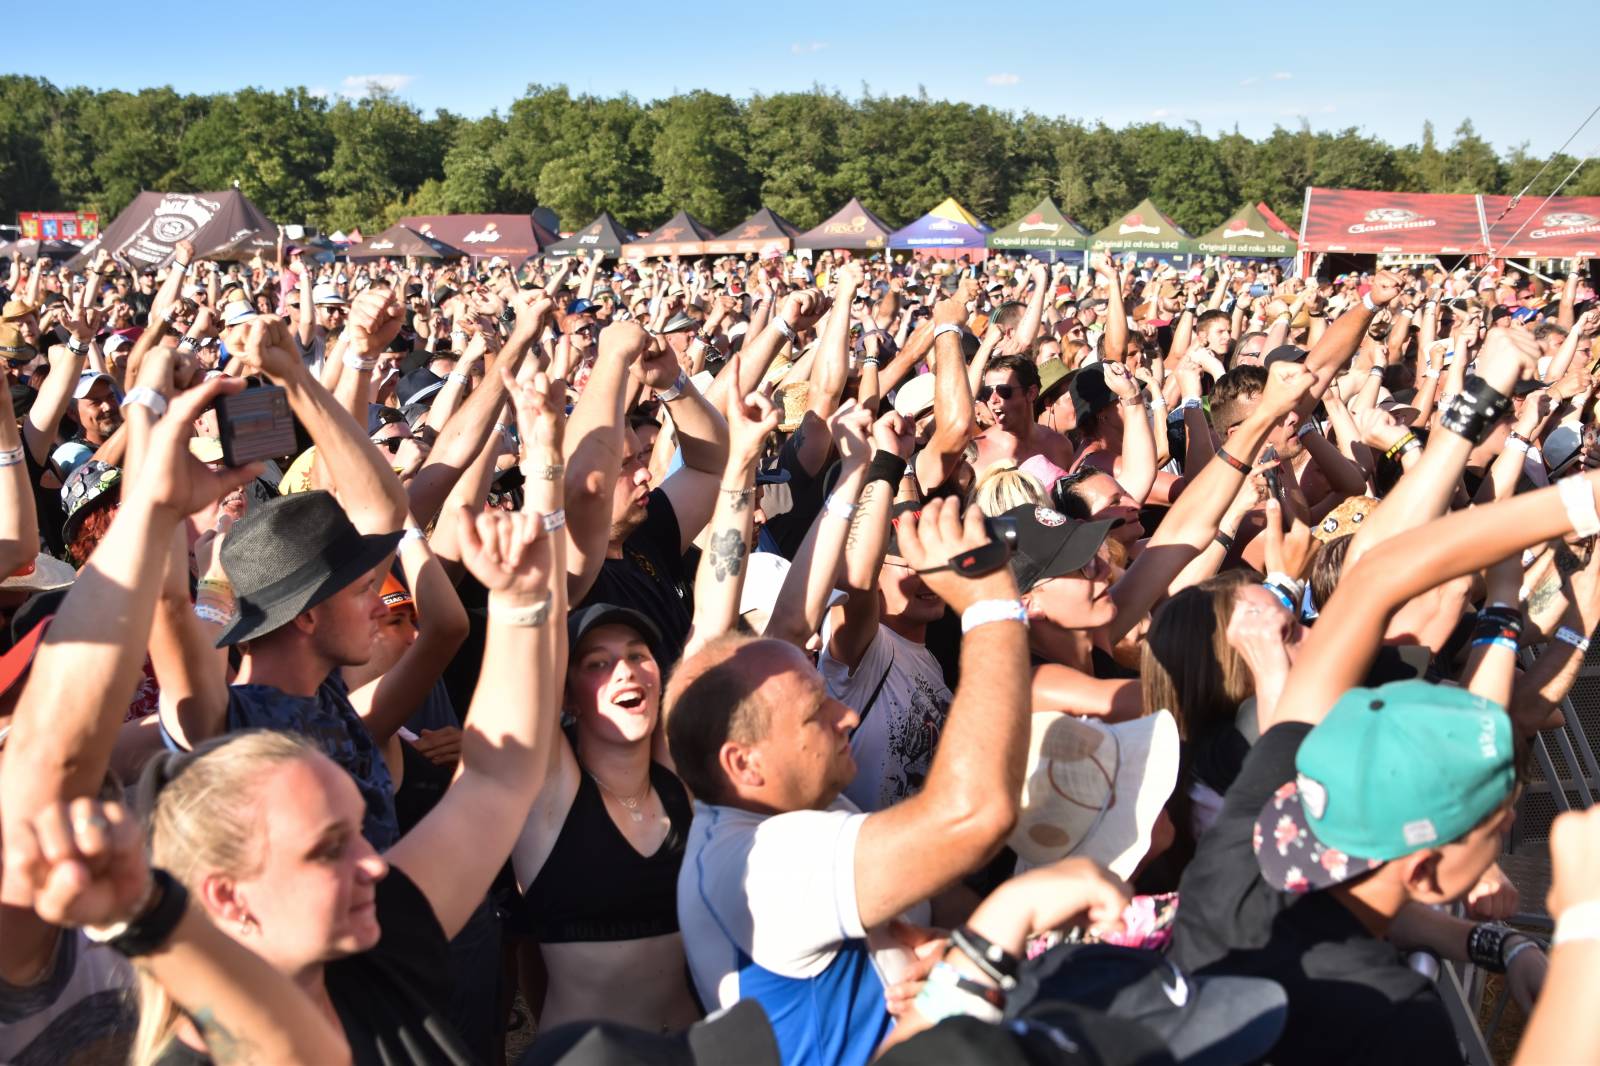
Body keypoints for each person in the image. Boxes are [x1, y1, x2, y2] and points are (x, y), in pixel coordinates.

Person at [669, 496, 1033, 1066]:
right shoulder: (758, 863)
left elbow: (936, 899)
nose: (848, 715)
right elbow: (972, 815)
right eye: (818, 712)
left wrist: (952, 955)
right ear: (744, 764)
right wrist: (990, 604)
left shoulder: (805, 802)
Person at [509, 604, 700, 1034]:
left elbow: (710, 621)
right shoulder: (550, 792)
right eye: (599, 662)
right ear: (567, 698)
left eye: (637, 655)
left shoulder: (677, 782)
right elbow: (528, 658)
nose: (626, 671)